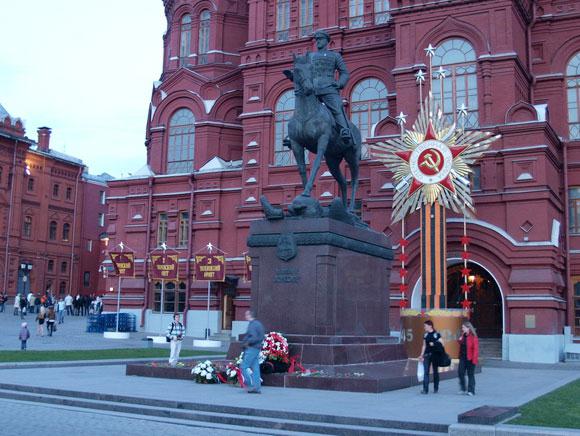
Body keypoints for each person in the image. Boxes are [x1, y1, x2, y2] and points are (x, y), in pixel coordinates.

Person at [310, 30, 351, 140]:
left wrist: (339, 83)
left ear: (326, 41)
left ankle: (344, 130)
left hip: (329, 88)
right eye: (316, 39)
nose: (318, 41)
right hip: (313, 90)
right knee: (301, 107)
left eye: (320, 39)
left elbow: (345, 73)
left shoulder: (335, 56)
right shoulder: (310, 56)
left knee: (336, 108)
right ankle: (294, 133)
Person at [240, 310, 265, 394]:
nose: (245, 316)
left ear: (249, 315)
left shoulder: (253, 325)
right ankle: (256, 388)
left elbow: (253, 337)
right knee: (255, 368)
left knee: (243, 366)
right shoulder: (258, 324)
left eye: (246, 314)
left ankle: (248, 383)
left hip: (251, 348)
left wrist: (247, 343)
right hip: (257, 348)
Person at [419, 320, 443, 394]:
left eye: (425, 326)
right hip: (427, 355)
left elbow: (442, 343)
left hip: (435, 355)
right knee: (426, 372)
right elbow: (424, 345)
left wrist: (434, 343)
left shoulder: (437, 334)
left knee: (435, 371)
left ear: (430, 326)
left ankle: (436, 388)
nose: (424, 327)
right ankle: (425, 389)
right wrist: (421, 354)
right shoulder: (425, 335)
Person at [458, 321, 479, 396]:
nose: (462, 329)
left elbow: (476, 350)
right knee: (460, 372)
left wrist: (474, 360)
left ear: (468, 328)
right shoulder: (463, 336)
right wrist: (460, 339)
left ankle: (471, 390)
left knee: (470, 374)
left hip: (470, 358)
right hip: (463, 358)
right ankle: (463, 388)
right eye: (462, 327)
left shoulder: (473, 337)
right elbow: (460, 343)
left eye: (463, 327)